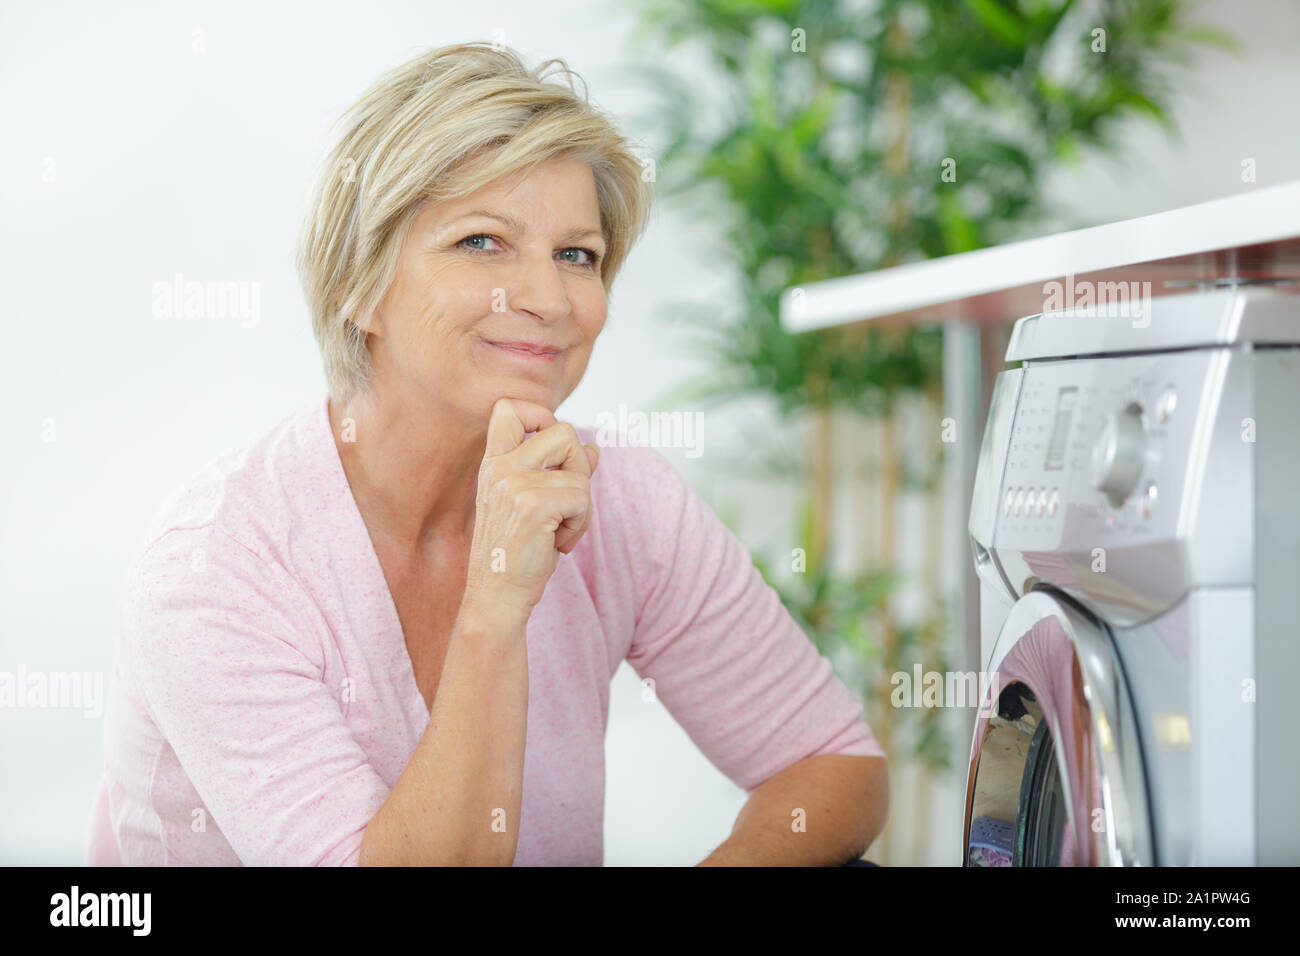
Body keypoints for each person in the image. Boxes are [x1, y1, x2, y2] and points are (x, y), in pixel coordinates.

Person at [86, 41, 888, 866]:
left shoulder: (621, 499)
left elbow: (831, 763)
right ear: (355, 287)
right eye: (481, 242)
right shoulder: (215, 568)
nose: (546, 300)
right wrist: (496, 603)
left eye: (577, 255)